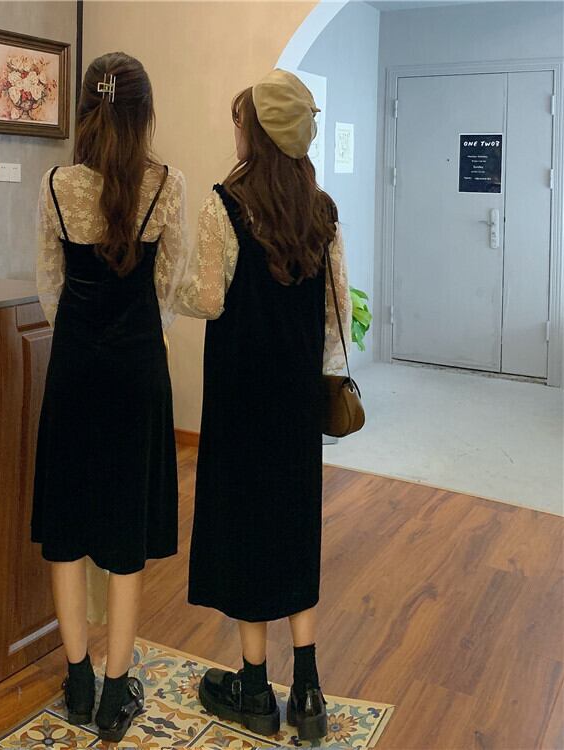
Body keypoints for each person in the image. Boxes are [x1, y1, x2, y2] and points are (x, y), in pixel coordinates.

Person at [177, 69, 351, 742]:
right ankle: (308, 690)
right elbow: (337, 315)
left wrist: (167, 281)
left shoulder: (225, 205)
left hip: (239, 398)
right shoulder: (323, 211)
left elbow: (207, 297)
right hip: (295, 401)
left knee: (245, 530)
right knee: (294, 527)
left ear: (256, 131)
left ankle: (253, 689)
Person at [31, 52, 187, 743]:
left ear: (85, 111)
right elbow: (170, 288)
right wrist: (137, 332)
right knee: (126, 531)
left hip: (73, 369)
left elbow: (49, 285)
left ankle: (77, 681)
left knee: (65, 524)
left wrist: (83, 332)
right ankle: (117, 690)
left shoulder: (57, 185)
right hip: (136, 371)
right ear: (144, 114)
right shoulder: (167, 186)